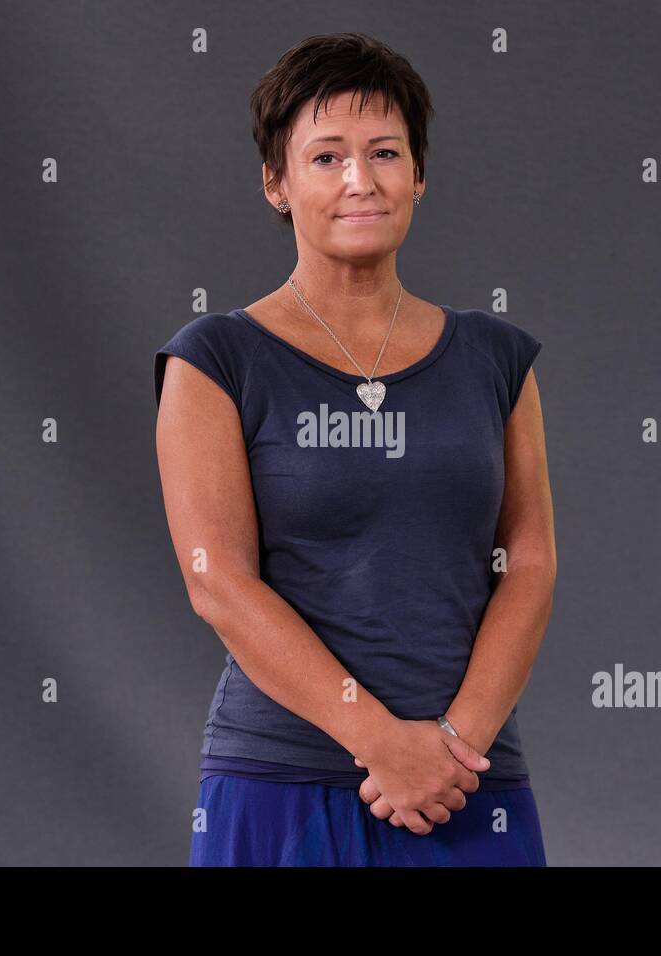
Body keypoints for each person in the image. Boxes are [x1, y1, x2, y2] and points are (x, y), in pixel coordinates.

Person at [154, 32, 555, 866]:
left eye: (384, 153)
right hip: (281, 786)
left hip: (466, 785)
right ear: (277, 182)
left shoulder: (494, 357)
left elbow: (531, 560)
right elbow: (217, 580)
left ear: (419, 174)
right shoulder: (217, 358)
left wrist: (449, 747)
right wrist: (381, 742)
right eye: (326, 155)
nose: (359, 180)